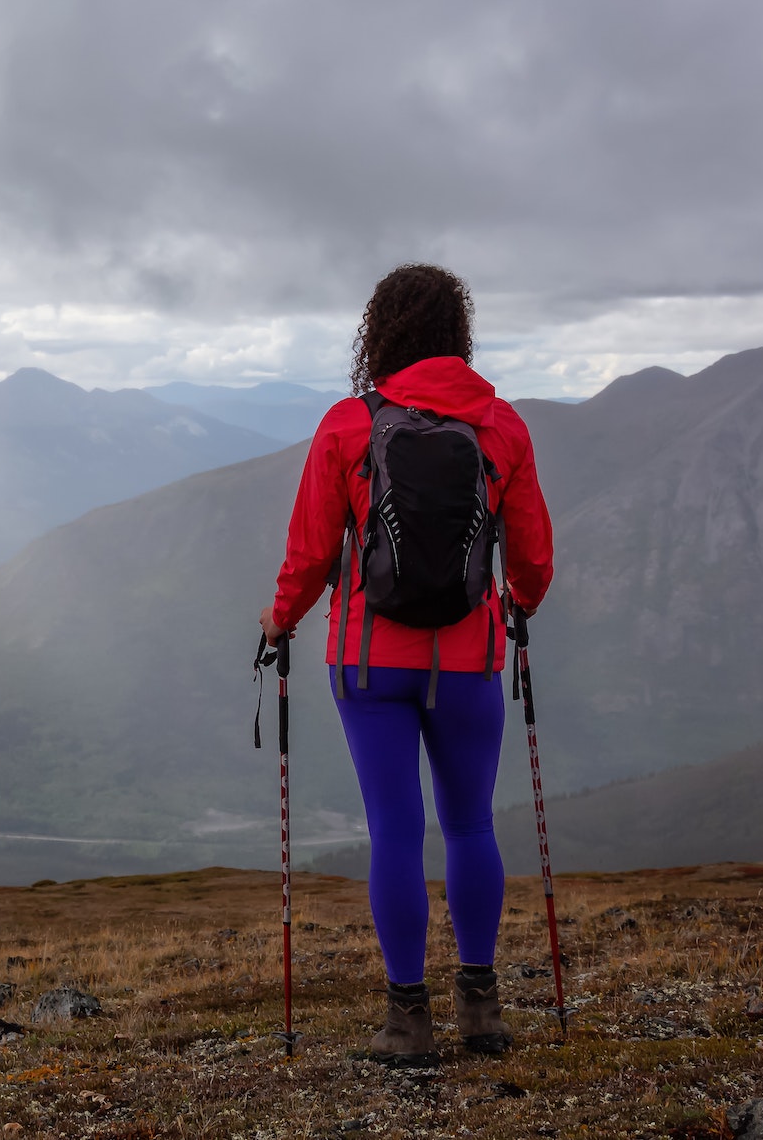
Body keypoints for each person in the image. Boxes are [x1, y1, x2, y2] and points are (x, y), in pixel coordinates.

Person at [259, 263, 553, 1065]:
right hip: (469, 660)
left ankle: (406, 1022)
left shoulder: (349, 426)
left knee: (395, 828)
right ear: (458, 333)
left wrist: (278, 618)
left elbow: (312, 553)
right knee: (468, 824)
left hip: (367, 662)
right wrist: (519, 603)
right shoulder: (503, 429)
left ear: (380, 334)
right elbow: (531, 561)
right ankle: (482, 1011)